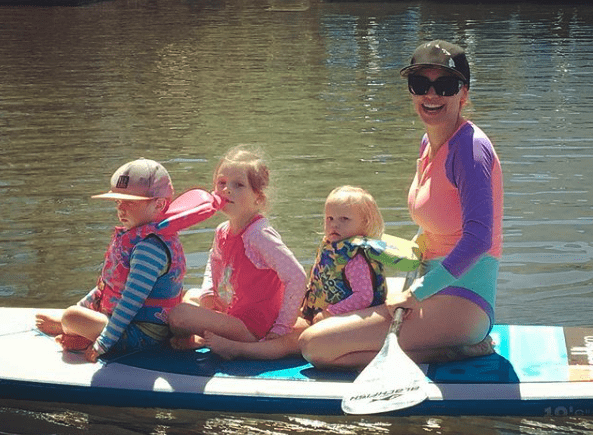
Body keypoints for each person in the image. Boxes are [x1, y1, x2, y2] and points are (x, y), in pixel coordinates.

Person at [298, 40, 503, 368]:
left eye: (445, 85)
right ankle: (432, 344)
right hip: (429, 283)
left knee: (314, 346)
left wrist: (417, 292)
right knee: (321, 322)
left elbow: (479, 239)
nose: (431, 95)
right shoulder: (429, 142)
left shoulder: (471, 149)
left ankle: (461, 347)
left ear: (463, 94)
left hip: (465, 300)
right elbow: (435, 223)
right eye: (421, 84)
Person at [204, 185, 388, 360]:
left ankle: (239, 350)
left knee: (288, 341)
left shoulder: (355, 258)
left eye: (344, 219)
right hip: (324, 315)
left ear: (365, 223)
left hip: (351, 322)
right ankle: (238, 337)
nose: (334, 225)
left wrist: (331, 311)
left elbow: (364, 297)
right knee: (285, 324)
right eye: (330, 219)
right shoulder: (333, 249)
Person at [35, 158, 186, 363]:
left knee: (72, 317)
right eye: (117, 201)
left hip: (145, 334)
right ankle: (70, 324)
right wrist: (81, 307)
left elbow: (130, 303)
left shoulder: (149, 249)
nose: (121, 209)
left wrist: (103, 342)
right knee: (73, 314)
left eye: (130, 202)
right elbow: (105, 289)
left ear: (159, 204)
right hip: (127, 323)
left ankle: (69, 327)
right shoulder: (135, 239)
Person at [168, 146, 307, 349]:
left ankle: (203, 340)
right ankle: (204, 338)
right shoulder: (222, 230)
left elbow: (296, 276)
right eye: (221, 183)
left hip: (251, 327)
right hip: (230, 313)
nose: (227, 190)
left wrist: (281, 328)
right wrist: (208, 293)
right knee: (189, 296)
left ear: (258, 197)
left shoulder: (259, 235)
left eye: (239, 185)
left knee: (179, 315)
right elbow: (213, 262)